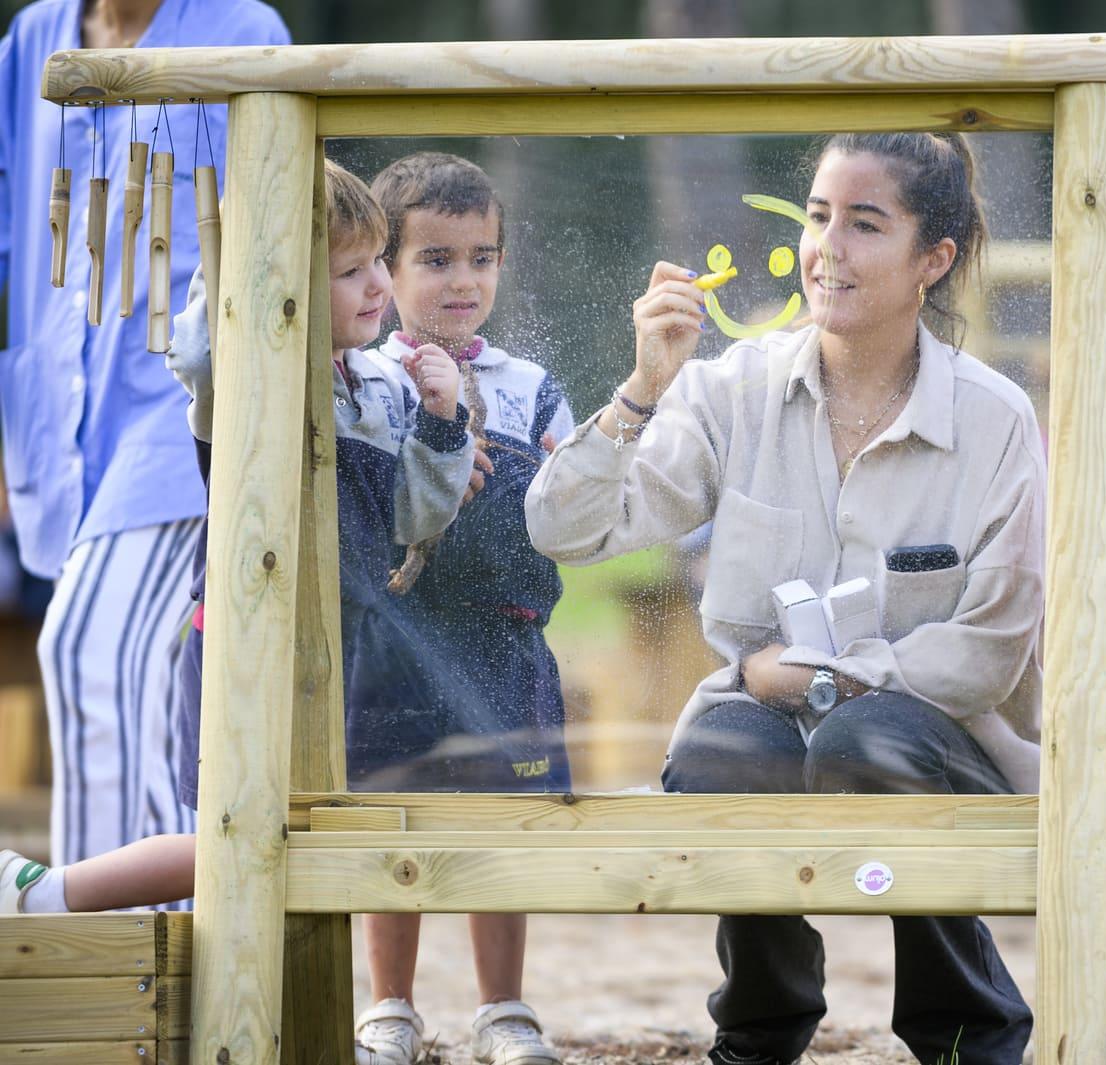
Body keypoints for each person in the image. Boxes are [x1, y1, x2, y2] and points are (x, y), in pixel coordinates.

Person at [525, 132, 1042, 1065]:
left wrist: (819, 680)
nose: (826, 248)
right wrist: (644, 386)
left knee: (864, 738)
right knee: (717, 751)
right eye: (816, 216)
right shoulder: (732, 389)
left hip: (943, 739)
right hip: (756, 714)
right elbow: (568, 530)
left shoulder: (996, 417)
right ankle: (760, 1027)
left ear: (935, 259)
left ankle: (967, 1028)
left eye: (864, 223)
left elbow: (992, 646)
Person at [2, 163, 473, 952]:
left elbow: (414, 517)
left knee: (309, 840)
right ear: (280, 281)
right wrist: (242, 250)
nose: (379, 287)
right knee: (239, 837)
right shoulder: (248, 375)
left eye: (381, 262)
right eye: (350, 270)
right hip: (247, 643)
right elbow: (198, 350)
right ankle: (51, 891)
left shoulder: (384, 385)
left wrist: (442, 425)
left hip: (346, 650)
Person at [0, 0, 290, 874]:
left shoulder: (246, 34)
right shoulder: (30, 40)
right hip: (59, 419)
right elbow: (17, 232)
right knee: (150, 695)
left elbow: (276, 237)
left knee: (91, 648)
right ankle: (170, 937)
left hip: (185, 410)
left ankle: (99, 932)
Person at [353, 151, 571, 1065]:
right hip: (397, 640)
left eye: (482, 257)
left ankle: (503, 1006)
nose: (463, 279)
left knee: (500, 825)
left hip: (503, 639)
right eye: (436, 259)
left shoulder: (528, 384)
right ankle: (390, 1004)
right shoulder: (366, 381)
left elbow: (575, 490)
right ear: (385, 271)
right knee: (390, 816)